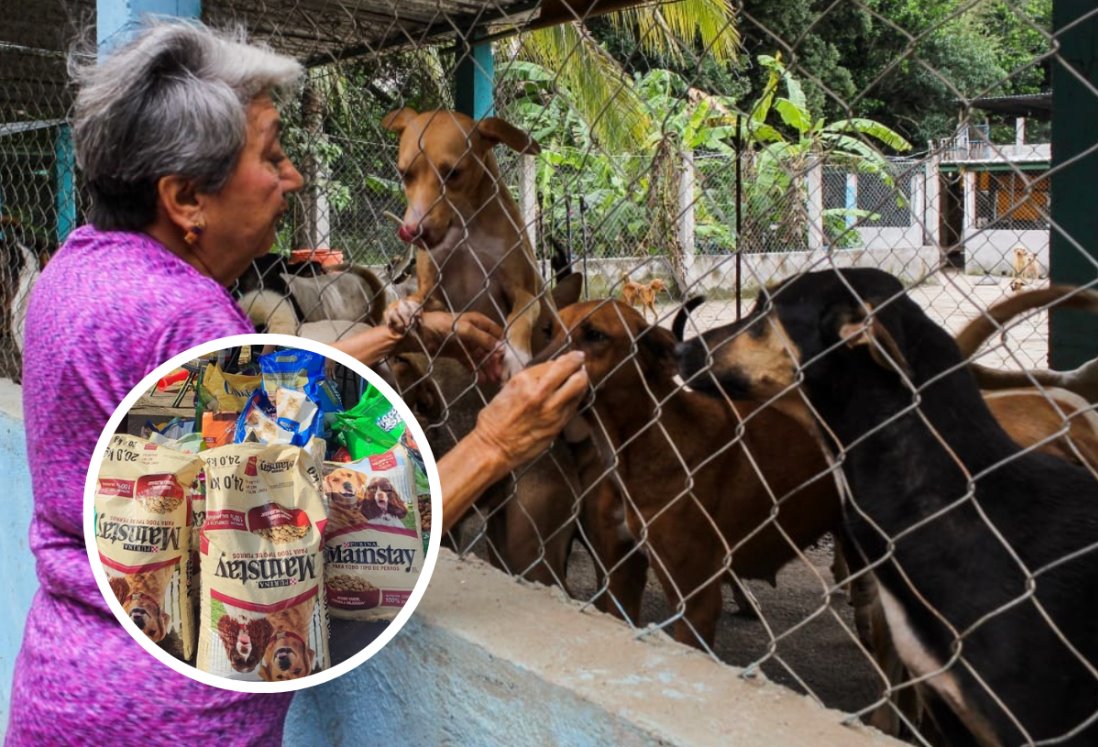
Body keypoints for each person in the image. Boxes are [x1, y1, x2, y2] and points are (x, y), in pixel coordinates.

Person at [6, 19, 587, 745]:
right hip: (170, 723)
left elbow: (204, 430)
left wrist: (403, 332)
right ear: (187, 198)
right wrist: (495, 441)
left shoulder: (78, 269)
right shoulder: (189, 321)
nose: (295, 176)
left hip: (60, 692)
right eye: (273, 154)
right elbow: (322, 556)